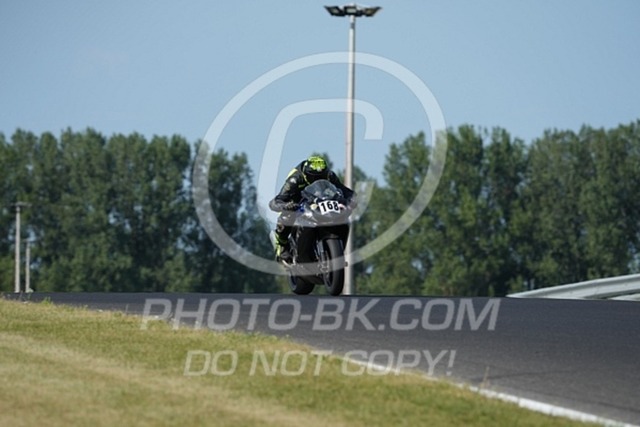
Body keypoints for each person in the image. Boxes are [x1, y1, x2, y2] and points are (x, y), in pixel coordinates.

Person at [269, 155, 355, 263]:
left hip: (319, 200)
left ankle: (335, 248)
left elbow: (346, 191)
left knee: (342, 214)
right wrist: (286, 206)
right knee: (286, 217)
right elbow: (276, 201)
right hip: (297, 201)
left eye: (321, 177)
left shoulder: (329, 175)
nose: (318, 180)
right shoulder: (295, 179)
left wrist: (350, 201)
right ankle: (282, 246)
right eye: (314, 177)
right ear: (306, 175)